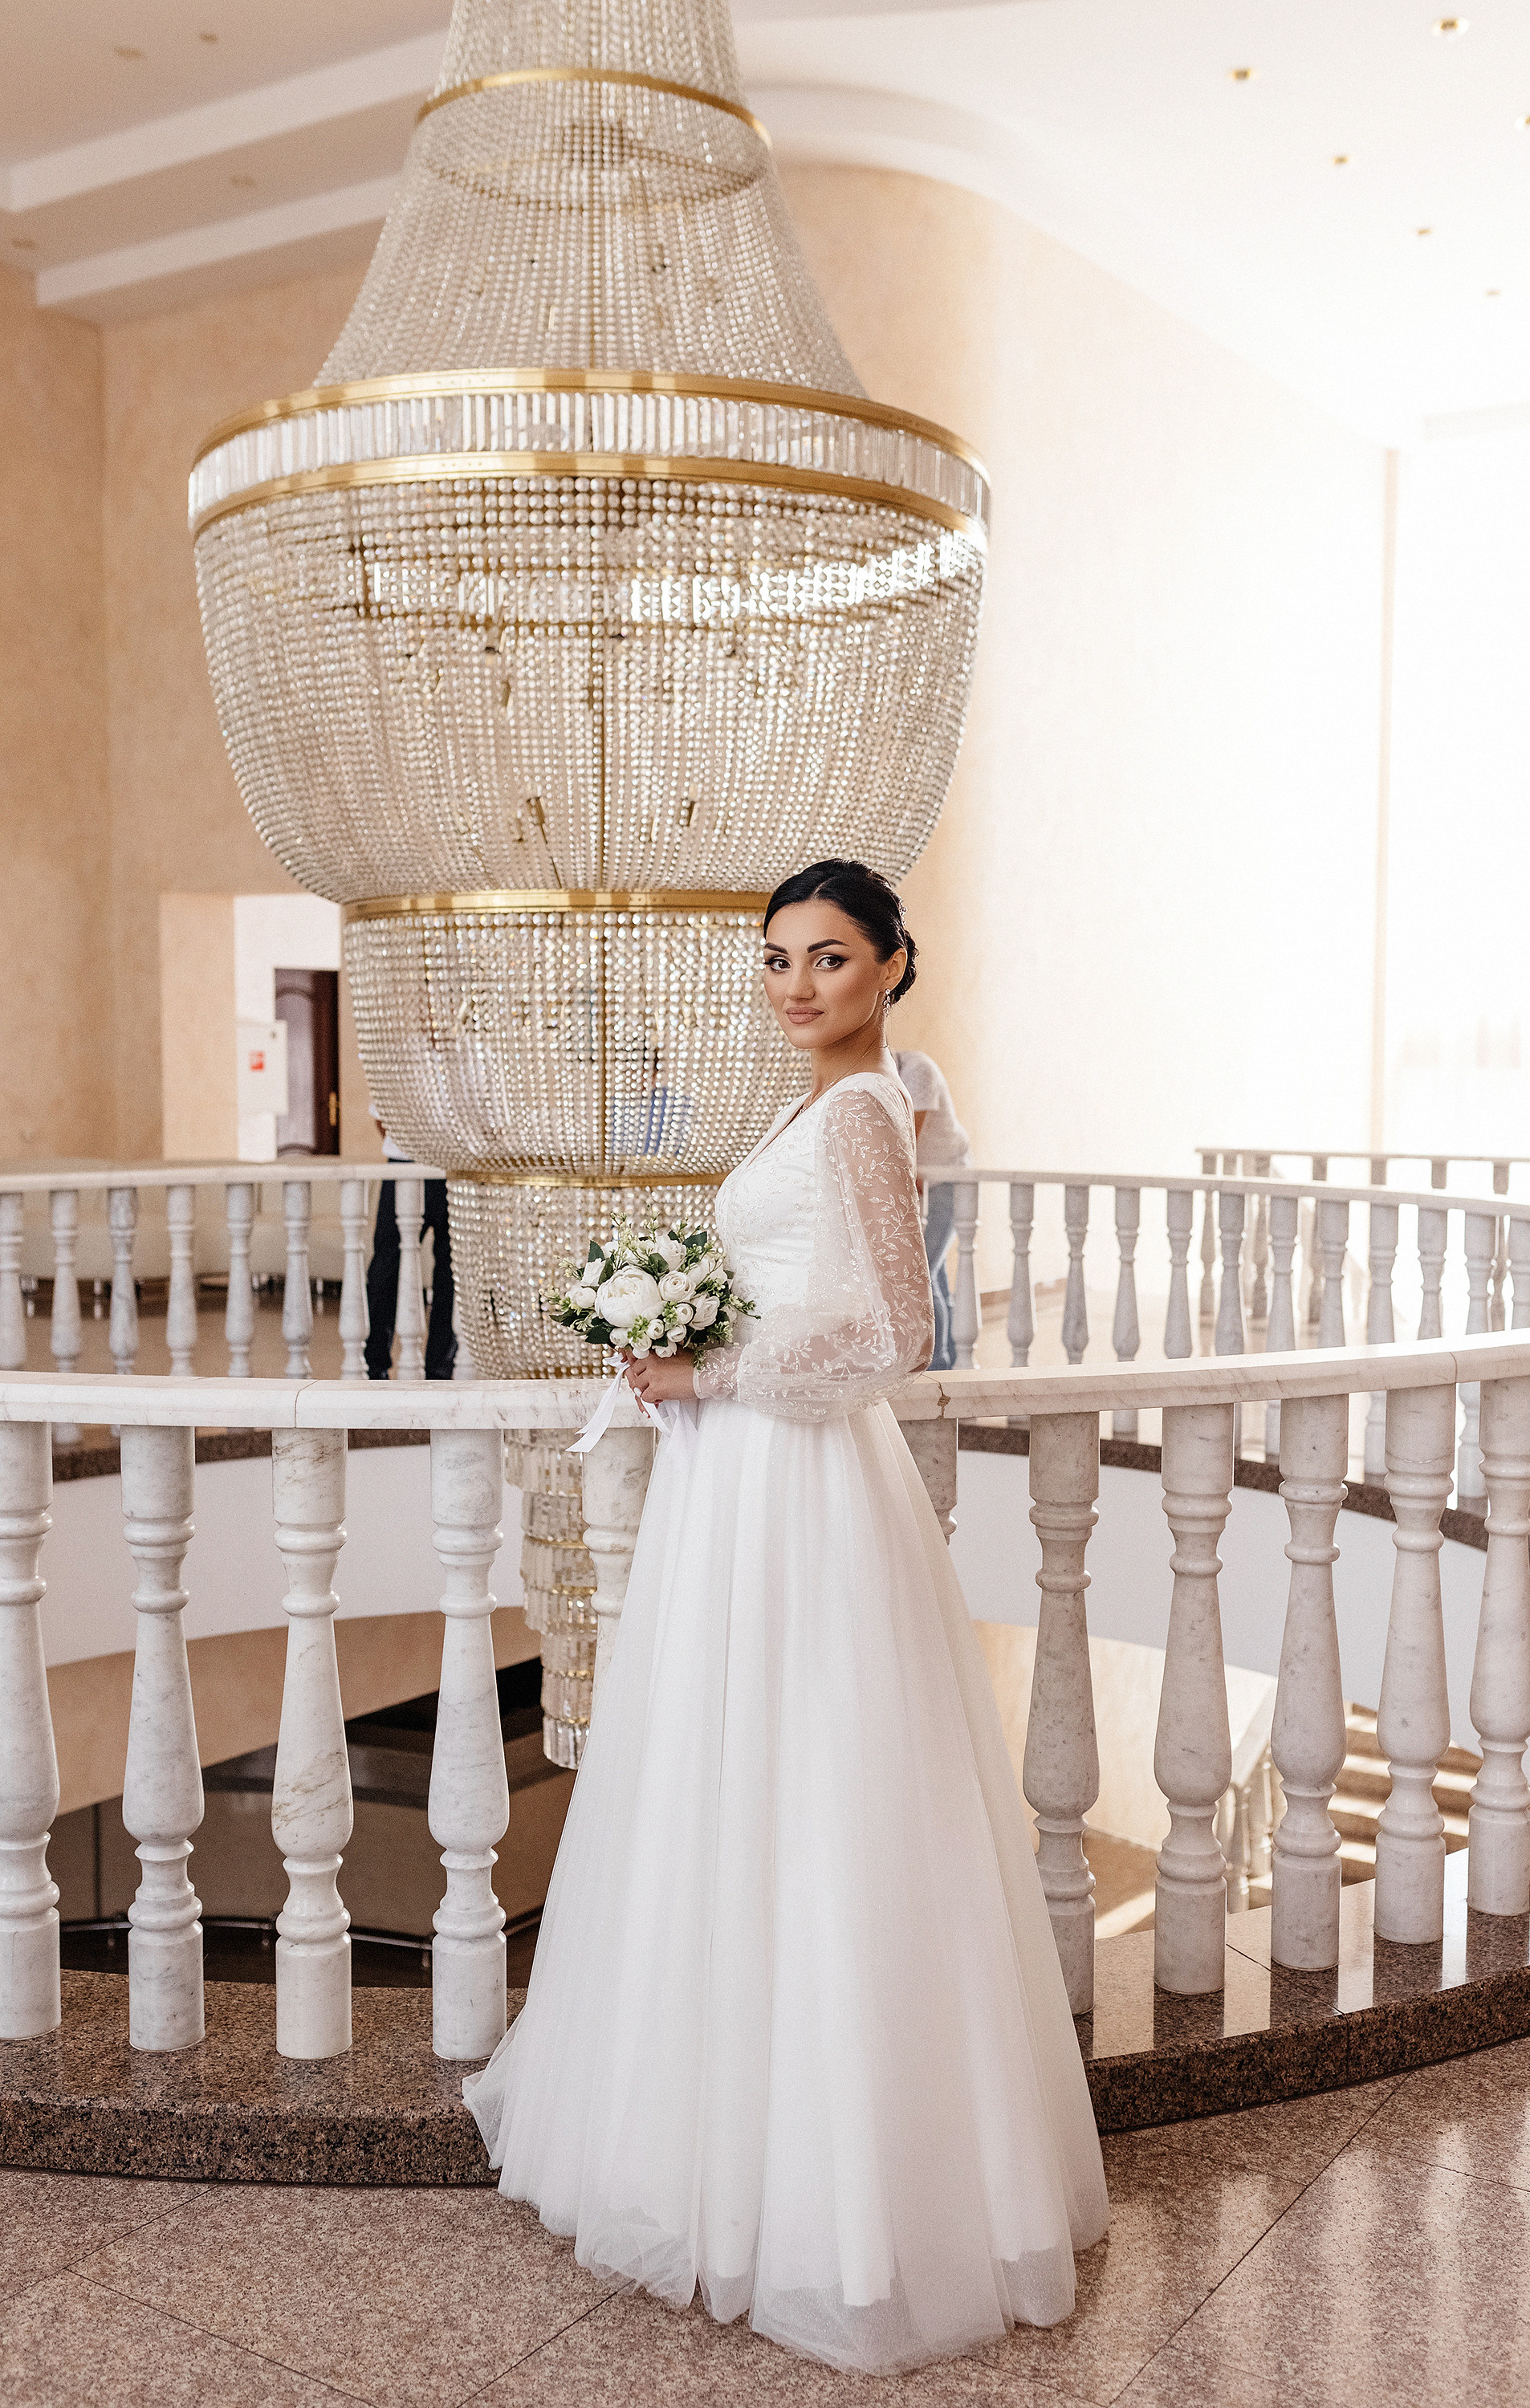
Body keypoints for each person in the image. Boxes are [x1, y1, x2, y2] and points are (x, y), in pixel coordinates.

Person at [464, 859, 1108, 2373]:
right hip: (744, 1485)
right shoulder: (823, 1112)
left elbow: (897, 1326)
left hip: (800, 1485)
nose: (798, 986)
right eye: (777, 961)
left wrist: (707, 1369)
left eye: (828, 958)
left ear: (892, 965)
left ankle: (839, 2208)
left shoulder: (869, 1113)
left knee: (819, 1795)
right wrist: (682, 1333)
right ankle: (711, 2149)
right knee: (728, 1790)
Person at [364, 1108, 457, 1381]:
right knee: (385, 1268)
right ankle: (375, 1364)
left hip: (457, 1167)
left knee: (453, 1274)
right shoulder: (398, 1065)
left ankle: (441, 1369)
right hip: (404, 1164)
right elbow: (382, 1116)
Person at [893, 1046, 970, 1371]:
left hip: (949, 1183)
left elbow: (904, 1143)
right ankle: (953, 1361)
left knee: (921, 1275)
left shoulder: (918, 1070)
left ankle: (936, 1368)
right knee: (934, 1275)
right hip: (924, 1184)